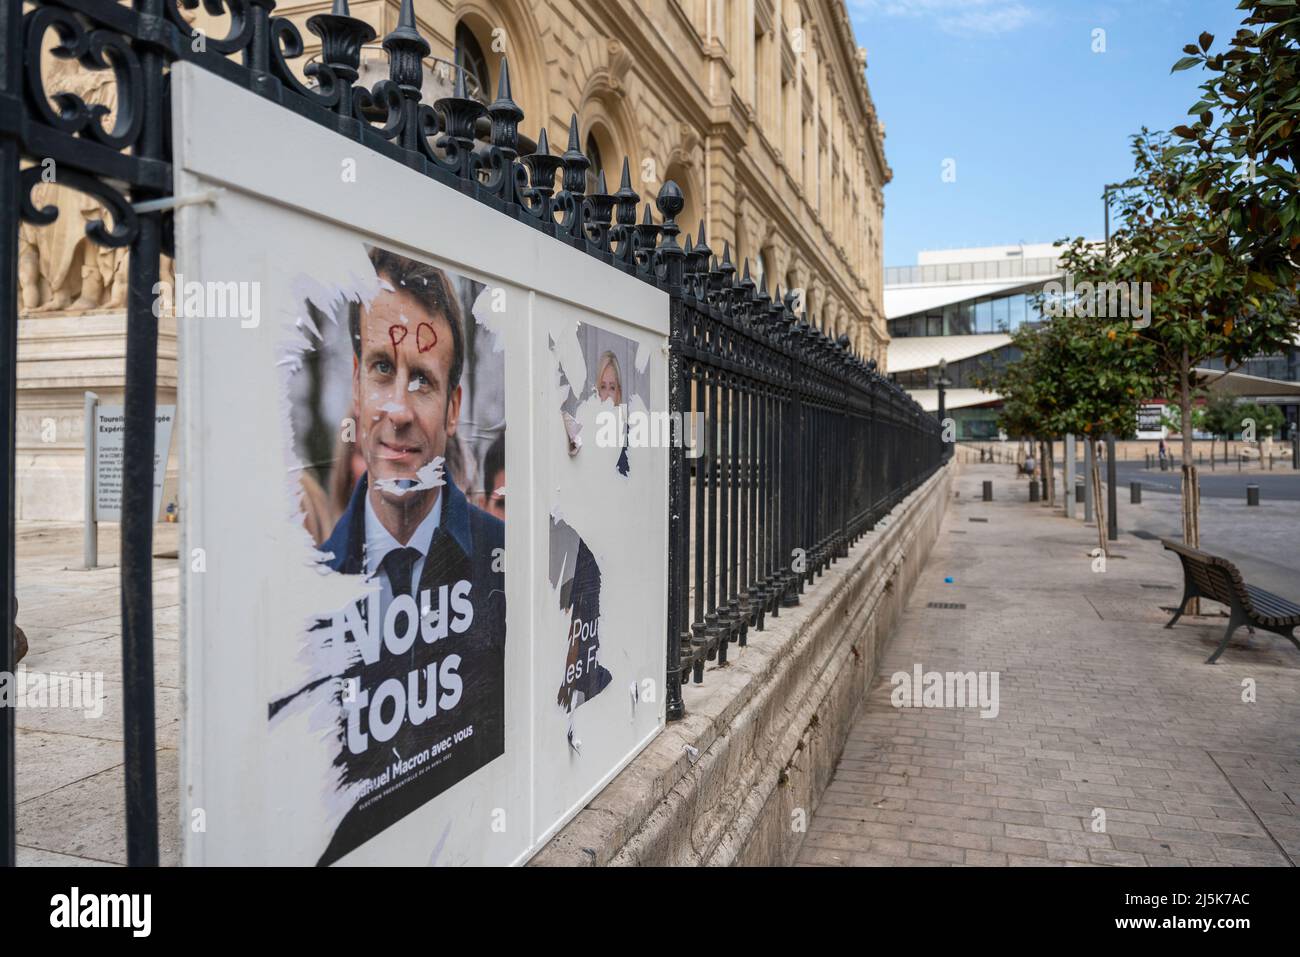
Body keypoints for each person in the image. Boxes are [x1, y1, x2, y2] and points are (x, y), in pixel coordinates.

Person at [313, 247, 505, 865]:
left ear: (453, 408)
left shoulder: (504, 562)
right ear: (355, 384)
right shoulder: (305, 588)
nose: (396, 411)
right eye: (380, 369)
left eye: (421, 379)